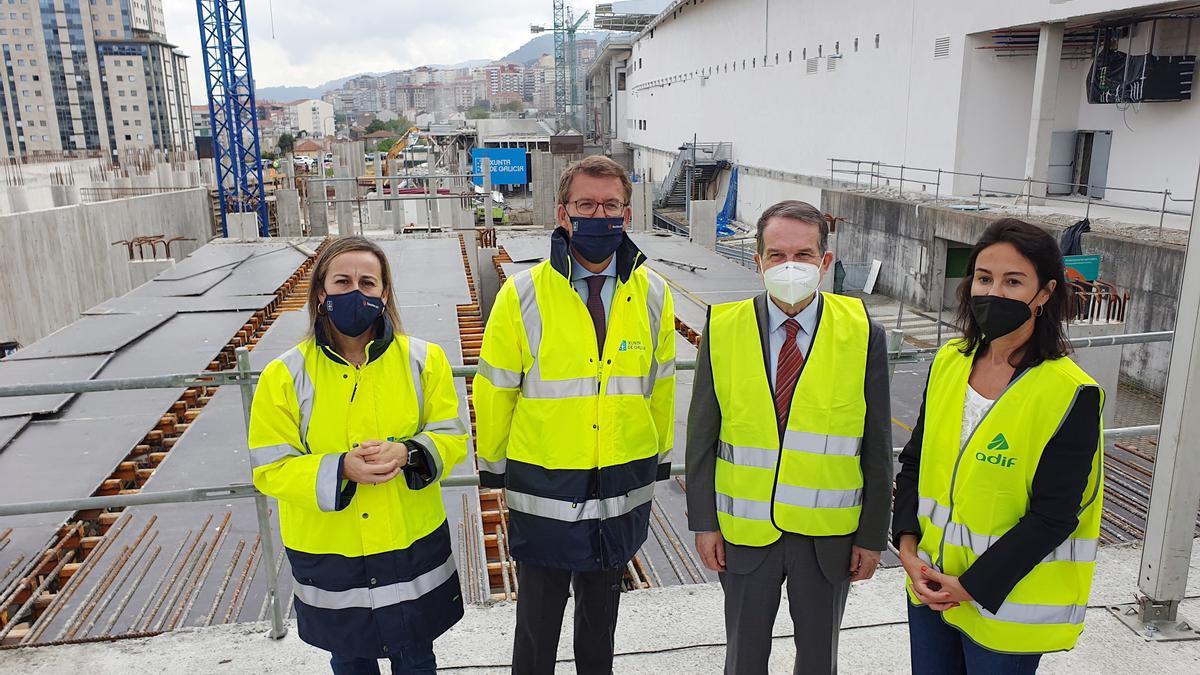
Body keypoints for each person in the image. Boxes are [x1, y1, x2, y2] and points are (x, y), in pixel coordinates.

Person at [474, 155, 676, 674]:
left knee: (600, 623)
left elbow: (661, 385)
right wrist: (493, 466)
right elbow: (495, 389)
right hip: (544, 487)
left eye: (610, 205)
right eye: (586, 204)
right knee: (537, 625)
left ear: (627, 214)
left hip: (620, 484)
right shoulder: (522, 294)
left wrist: (658, 458)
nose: (599, 214)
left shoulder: (652, 293)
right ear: (563, 214)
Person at [685, 200, 893, 674]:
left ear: (825, 261)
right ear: (756, 261)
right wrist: (705, 522)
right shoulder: (723, 329)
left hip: (828, 537)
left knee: (819, 658)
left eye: (803, 255)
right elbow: (702, 439)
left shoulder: (863, 335)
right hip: (744, 532)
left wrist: (872, 536)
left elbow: (877, 446)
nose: (790, 266)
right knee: (743, 655)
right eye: (777, 255)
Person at [248, 236, 468, 675]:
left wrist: (408, 453)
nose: (356, 291)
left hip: (408, 547)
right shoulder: (284, 376)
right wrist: (340, 468)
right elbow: (270, 469)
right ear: (321, 293)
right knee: (349, 660)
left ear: (384, 293)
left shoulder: (425, 360)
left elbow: (452, 436)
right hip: (334, 557)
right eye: (343, 281)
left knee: (417, 659)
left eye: (368, 283)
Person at [893, 218, 1104, 674]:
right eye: (984, 279)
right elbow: (914, 463)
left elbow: (1053, 516)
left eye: (1013, 281)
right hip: (930, 585)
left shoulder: (1070, 392)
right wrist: (908, 552)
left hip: (1006, 602)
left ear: (1045, 293)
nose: (994, 293)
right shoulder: (950, 362)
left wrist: (969, 586)